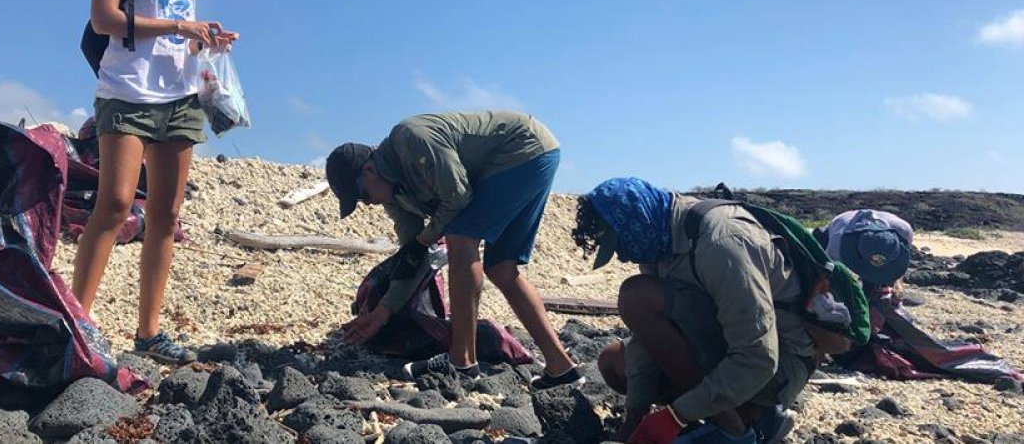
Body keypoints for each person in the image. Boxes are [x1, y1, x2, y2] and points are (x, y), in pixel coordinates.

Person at [70, 0, 237, 364]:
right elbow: (104, 19)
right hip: (126, 92)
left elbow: (172, 36)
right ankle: (78, 323)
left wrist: (201, 38)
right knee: (116, 203)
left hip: (180, 96)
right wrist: (179, 24)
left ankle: (149, 333)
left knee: (165, 217)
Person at [325, 111, 583, 388]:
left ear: (369, 170)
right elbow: (414, 257)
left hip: (523, 149)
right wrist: (382, 313)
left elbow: (458, 198)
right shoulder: (396, 198)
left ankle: (461, 361)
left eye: (362, 195)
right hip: (536, 157)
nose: (367, 204)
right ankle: (562, 368)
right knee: (502, 269)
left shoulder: (411, 139)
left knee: (460, 237)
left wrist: (425, 238)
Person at [573, 178, 813, 444]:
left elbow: (758, 357)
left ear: (635, 222)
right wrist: (635, 418)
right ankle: (755, 416)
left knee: (636, 296)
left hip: (779, 366)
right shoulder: (658, 238)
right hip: (727, 349)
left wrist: (675, 416)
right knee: (614, 363)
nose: (623, 257)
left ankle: (736, 430)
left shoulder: (722, 241)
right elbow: (648, 336)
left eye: (620, 245)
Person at [816, 209, 912, 288]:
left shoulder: (904, 232)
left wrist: (898, 284)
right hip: (842, 225)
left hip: (887, 222)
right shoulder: (837, 242)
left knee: (877, 284)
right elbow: (829, 267)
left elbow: (901, 264)